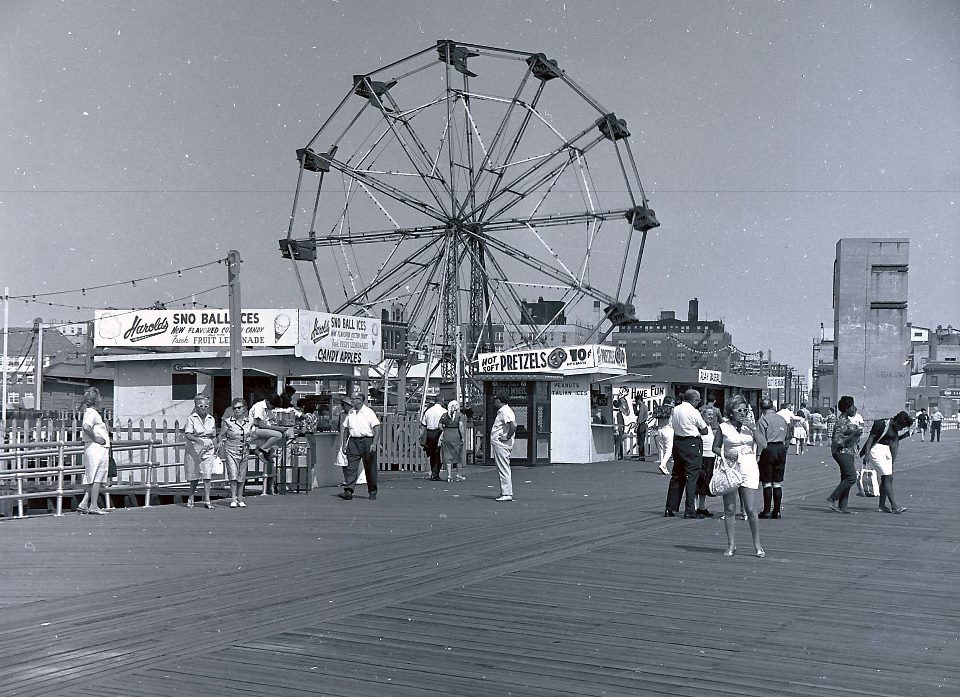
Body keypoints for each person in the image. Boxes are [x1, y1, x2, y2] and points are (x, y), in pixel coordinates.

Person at [712, 394, 763, 558]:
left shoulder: (751, 426)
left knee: (750, 508)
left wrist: (753, 428)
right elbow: (715, 447)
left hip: (748, 467)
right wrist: (725, 453)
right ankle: (731, 544)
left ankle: (757, 545)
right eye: (739, 410)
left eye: (745, 410)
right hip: (731, 468)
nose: (743, 413)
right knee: (730, 508)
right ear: (731, 412)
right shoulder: (723, 427)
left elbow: (764, 444)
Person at [664, 389, 708, 519]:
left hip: (678, 442)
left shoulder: (676, 409)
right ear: (693, 400)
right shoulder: (693, 412)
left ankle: (670, 507)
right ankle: (690, 509)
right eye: (698, 401)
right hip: (691, 443)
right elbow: (704, 429)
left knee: (677, 475)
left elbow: (671, 424)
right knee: (692, 476)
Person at [861, 410, 914, 513]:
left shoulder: (894, 428)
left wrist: (905, 436)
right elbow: (870, 439)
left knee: (887, 478)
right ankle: (894, 506)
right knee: (887, 477)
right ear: (897, 421)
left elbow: (893, 439)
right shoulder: (881, 424)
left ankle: (882, 506)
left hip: (886, 451)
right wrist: (866, 454)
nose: (901, 429)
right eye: (901, 427)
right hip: (875, 450)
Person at [338, 393, 380, 500]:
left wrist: (374, 443)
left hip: (367, 440)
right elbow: (346, 429)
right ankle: (349, 490)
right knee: (351, 467)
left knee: (369, 467)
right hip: (353, 440)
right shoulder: (351, 412)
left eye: (354, 399)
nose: (352, 401)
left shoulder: (368, 412)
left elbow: (376, 428)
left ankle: (372, 490)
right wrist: (344, 444)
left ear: (360, 400)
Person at [826, 396, 864, 514]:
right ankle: (833, 498)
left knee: (845, 477)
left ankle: (843, 506)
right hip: (842, 452)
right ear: (847, 409)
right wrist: (854, 434)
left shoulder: (847, 420)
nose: (855, 409)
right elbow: (837, 441)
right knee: (851, 477)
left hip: (848, 451)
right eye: (853, 407)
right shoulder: (842, 421)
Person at [78, 387, 110, 515]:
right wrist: (96, 438)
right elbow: (86, 427)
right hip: (96, 448)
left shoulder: (92, 413)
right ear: (96, 400)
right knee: (97, 477)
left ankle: (84, 503)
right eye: (99, 397)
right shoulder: (91, 413)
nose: (101, 399)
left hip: (96, 448)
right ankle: (94, 506)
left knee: (94, 477)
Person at [754, 398, 789, 519]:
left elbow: (761, 441)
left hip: (768, 449)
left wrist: (758, 456)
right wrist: (785, 449)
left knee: (767, 481)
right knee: (777, 482)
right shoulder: (782, 419)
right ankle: (777, 511)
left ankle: (767, 510)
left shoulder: (763, 420)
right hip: (781, 448)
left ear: (761, 408)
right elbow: (788, 436)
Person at [219, 398, 256, 508]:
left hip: (244, 451)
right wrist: (220, 442)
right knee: (233, 475)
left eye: (239, 407)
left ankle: (240, 498)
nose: (236, 410)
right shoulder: (228, 421)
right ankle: (233, 498)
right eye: (234, 408)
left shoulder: (250, 421)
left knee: (242, 476)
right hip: (231, 450)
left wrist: (251, 439)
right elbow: (221, 435)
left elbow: (253, 434)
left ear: (244, 409)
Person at [184, 394, 218, 509]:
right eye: (201, 406)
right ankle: (191, 496)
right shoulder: (191, 419)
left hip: (208, 448)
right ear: (196, 406)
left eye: (205, 406)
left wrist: (216, 444)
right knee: (194, 474)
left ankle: (207, 499)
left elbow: (213, 435)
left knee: (207, 474)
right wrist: (196, 439)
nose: (203, 408)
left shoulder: (211, 419)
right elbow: (188, 434)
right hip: (194, 448)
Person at [250, 393, 285, 493]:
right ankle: (261, 450)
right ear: (268, 402)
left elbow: (271, 421)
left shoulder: (268, 410)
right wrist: (277, 429)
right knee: (278, 435)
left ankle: (271, 486)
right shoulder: (259, 407)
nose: (273, 408)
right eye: (272, 406)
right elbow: (261, 425)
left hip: (262, 431)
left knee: (279, 437)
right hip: (255, 430)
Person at [694, 404, 719, 518]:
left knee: (705, 483)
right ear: (702, 415)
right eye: (709, 414)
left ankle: (702, 507)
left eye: (712, 415)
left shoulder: (710, 427)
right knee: (697, 483)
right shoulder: (699, 427)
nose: (711, 417)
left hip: (711, 457)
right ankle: (694, 507)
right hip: (701, 457)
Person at [490, 392, 516, 502]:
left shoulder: (505, 411)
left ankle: (507, 493)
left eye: (496, 399)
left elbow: (513, 425)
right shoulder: (504, 411)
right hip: (500, 443)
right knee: (503, 467)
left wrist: (507, 436)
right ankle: (505, 491)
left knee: (503, 467)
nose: (495, 401)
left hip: (502, 443)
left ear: (500, 400)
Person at [420, 397, 447, 481]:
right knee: (439, 453)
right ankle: (436, 473)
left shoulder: (428, 411)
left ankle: (433, 472)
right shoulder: (444, 411)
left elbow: (423, 424)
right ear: (441, 401)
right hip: (439, 432)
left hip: (429, 432)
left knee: (432, 454)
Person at [439, 399, 465, 481]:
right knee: (458, 456)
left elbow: (439, 426)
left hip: (447, 435)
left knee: (447, 456)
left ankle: (449, 475)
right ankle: (458, 474)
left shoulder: (444, 415)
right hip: (456, 436)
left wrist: (445, 429)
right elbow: (460, 427)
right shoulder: (459, 415)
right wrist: (462, 437)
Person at [653, 396, 675, 476]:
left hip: (659, 430)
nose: (674, 404)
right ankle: (663, 465)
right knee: (668, 450)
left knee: (661, 449)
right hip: (668, 429)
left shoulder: (659, 408)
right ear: (670, 402)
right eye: (673, 402)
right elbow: (673, 420)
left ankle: (664, 467)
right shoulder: (671, 409)